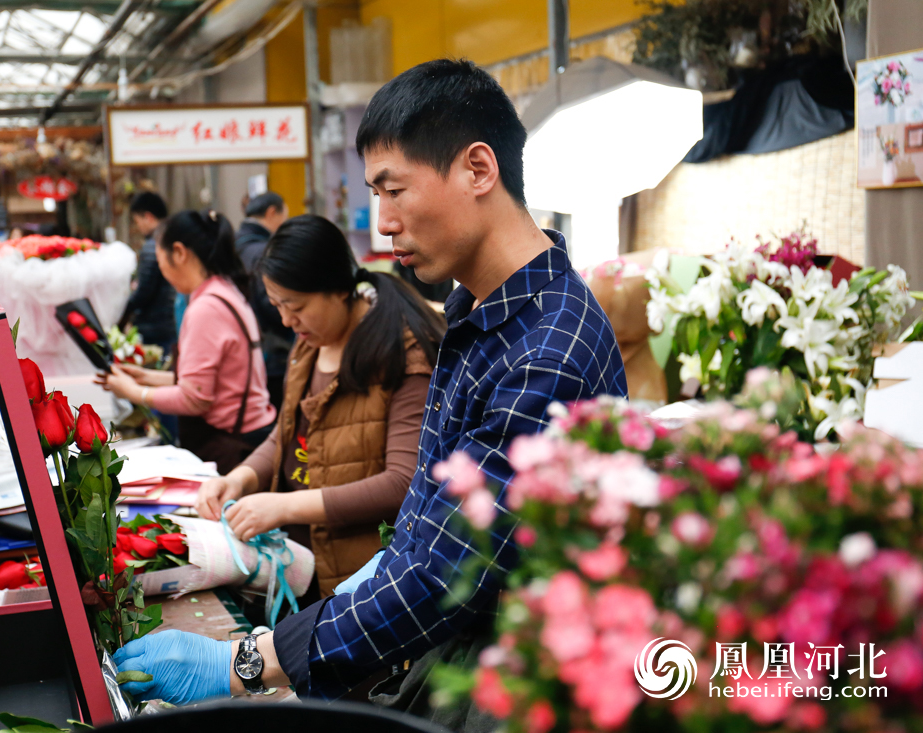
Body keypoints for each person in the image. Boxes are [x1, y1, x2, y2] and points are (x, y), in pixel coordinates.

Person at [113, 59, 627, 729]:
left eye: (395, 190)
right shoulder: (479, 306)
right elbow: (429, 517)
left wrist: (246, 660)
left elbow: (444, 580)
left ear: (478, 169)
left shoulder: (545, 353)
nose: (383, 222)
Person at [196, 214, 444, 601]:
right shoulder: (310, 341)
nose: (286, 320)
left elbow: (402, 483)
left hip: (366, 578)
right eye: (277, 305)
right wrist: (240, 479)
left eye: (295, 305)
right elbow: (289, 429)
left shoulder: (402, 355)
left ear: (338, 289)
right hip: (306, 560)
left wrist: (285, 507)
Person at [99, 209, 276, 474]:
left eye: (161, 261)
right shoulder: (224, 290)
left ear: (179, 253)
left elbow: (195, 399)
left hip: (232, 443)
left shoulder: (206, 307)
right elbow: (212, 381)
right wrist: (146, 377)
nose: (162, 271)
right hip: (253, 432)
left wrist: (134, 392)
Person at [235, 191, 294, 410]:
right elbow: (271, 305)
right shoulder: (263, 251)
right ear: (271, 213)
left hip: (247, 351)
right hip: (272, 352)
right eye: (284, 216)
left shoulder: (235, 244)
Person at [119, 192, 177, 352]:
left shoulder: (152, 247)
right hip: (170, 323)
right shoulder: (171, 239)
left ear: (148, 217)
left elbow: (144, 292)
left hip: (154, 327)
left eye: (137, 221)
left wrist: (123, 307)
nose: (138, 227)